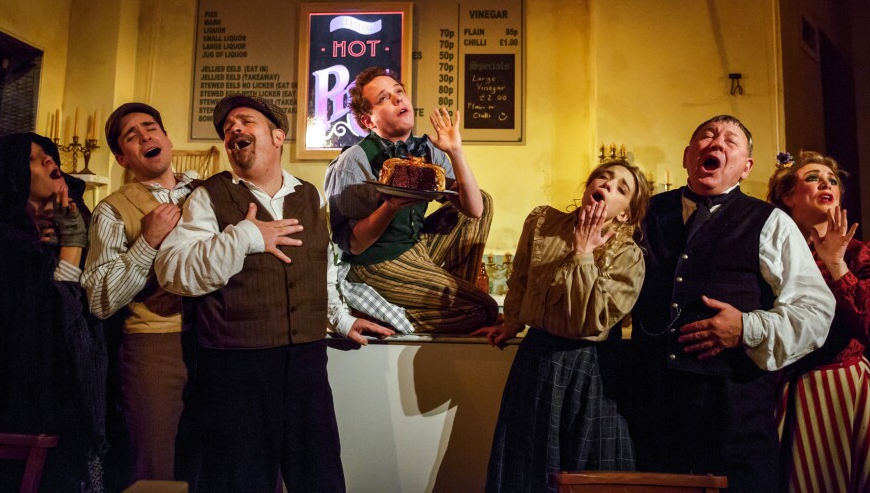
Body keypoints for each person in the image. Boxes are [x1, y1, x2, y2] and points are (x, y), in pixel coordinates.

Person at [155, 94, 393, 492]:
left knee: (318, 478)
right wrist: (246, 236)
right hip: (235, 370)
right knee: (239, 482)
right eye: (228, 127)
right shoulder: (208, 196)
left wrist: (340, 318)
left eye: (245, 121)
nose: (234, 130)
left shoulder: (310, 195)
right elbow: (173, 273)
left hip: (306, 363)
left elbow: (324, 268)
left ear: (278, 136)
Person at [625, 115, 835, 493]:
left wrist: (746, 328)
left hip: (733, 414)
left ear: (746, 167)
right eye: (706, 136)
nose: (717, 143)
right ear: (688, 155)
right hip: (652, 408)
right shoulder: (645, 213)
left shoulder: (771, 222)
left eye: (731, 141)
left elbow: (816, 310)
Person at [475, 161, 650, 493]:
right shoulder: (544, 221)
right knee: (527, 466)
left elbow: (592, 320)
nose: (608, 185)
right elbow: (522, 278)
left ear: (625, 214)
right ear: (588, 185)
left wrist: (583, 252)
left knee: (580, 468)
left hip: (590, 369)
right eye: (604, 177)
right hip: (537, 359)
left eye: (621, 189)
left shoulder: (628, 255)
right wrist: (511, 322)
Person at [324, 66, 497, 333]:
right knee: (483, 309)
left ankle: (451, 301)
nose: (398, 99)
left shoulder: (427, 150)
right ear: (368, 121)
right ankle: (392, 318)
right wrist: (390, 205)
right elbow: (354, 246)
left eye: (399, 92)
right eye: (383, 99)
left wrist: (456, 153)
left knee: (482, 199)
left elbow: (474, 210)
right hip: (376, 262)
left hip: (415, 247)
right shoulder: (354, 160)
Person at [81, 103, 198, 485]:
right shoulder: (112, 210)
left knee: (213, 463)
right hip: (155, 346)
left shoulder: (205, 192)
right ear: (122, 157)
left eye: (151, 128)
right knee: (156, 468)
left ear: (167, 138)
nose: (145, 135)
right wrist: (147, 241)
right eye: (132, 136)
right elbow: (98, 300)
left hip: (216, 341)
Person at [0, 132, 106, 492]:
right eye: (31, 158)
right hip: (26, 410)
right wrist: (72, 243)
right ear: (11, 176)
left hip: (72, 398)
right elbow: (55, 317)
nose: (48, 160)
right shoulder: (2, 243)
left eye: (48, 153)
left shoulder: (72, 221)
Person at [767, 151, 870, 493]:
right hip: (784, 386)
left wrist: (837, 265)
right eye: (812, 177)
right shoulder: (770, 251)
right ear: (787, 195)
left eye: (832, 180)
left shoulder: (859, 253)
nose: (826, 182)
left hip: (845, 386)